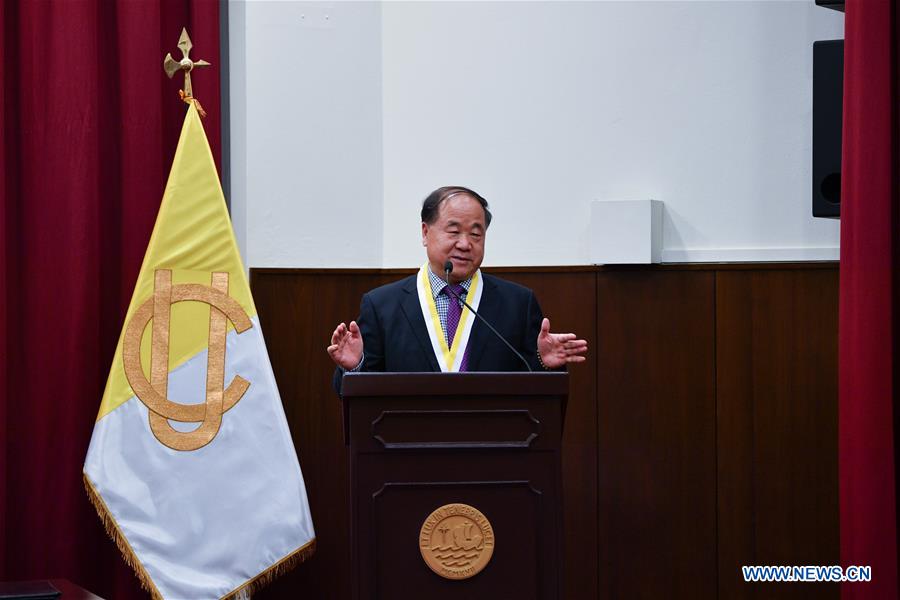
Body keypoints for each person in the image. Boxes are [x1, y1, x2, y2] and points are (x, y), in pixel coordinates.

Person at [327, 186, 587, 388]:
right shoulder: (382, 305)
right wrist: (355, 367)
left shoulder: (518, 303)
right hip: (408, 450)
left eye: (476, 234)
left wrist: (544, 362)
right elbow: (350, 393)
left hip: (493, 449)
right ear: (425, 233)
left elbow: (537, 390)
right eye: (454, 232)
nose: (465, 244)